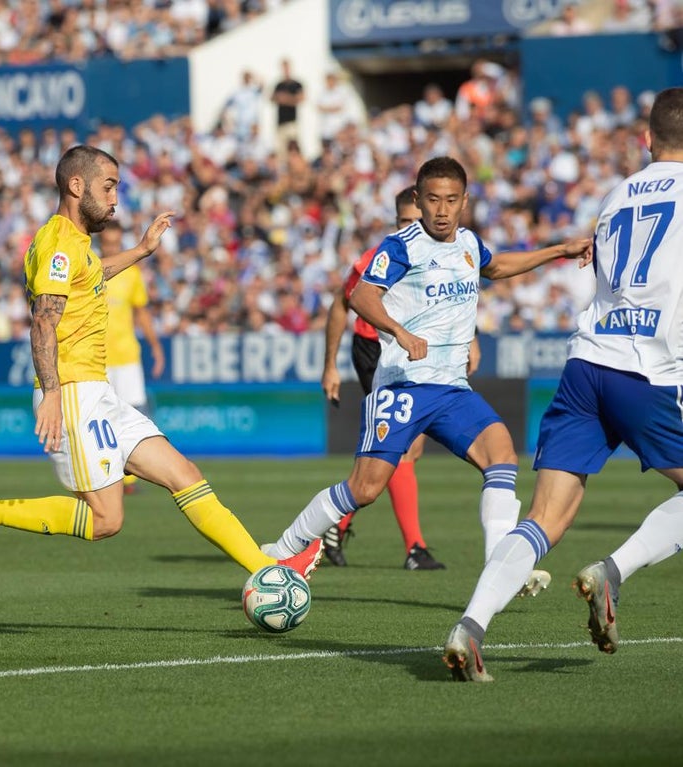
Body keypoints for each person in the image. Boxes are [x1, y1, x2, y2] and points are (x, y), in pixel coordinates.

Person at [0, 144, 323, 581]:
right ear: (77, 186)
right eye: (109, 186)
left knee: (183, 474)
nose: (116, 198)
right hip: (74, 392)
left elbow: (93, 274)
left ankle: (270, 569)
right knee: (105, 520)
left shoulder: (75, 244)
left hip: (99, 392)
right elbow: (43, 321)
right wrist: (53, 394)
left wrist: (140, 251)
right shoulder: (59, 241)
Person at [262, 157, 591, 596]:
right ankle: (282, 548)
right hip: (403, 385)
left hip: (452, 389)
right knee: (365, 488)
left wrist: (557, 251)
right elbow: (359, 295)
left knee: (503, 456)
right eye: (433, 199)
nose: (442, 209)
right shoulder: (401, 246)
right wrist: (399, 331)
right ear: (417, 200)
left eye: (451, 200)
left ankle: (501, 570)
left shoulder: (469, 244)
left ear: (465, 202)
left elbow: (496, 266)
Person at [444, 87, 683, 682]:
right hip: (649, 370)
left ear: (646, 140)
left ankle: (470, 626)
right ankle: (615, 570)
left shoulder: (617, 194)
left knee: (546, 515)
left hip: (585, 366)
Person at [320, 186, 482, 570]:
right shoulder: (382, 254)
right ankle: (414, 548)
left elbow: (444, 300)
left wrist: (470, 340)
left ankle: (335, 526)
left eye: (417, 220)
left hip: (419, 348)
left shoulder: (443, 251)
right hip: (376, 350)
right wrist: (330, 365)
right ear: (397, 221)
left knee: (409, 449)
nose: (415, 227)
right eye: (406, 221)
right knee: (404, 448)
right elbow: (343, 304)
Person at [101, 220, 165, 495]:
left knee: (134, 415)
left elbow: (141, 312)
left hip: (126, 355)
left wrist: (156, 346)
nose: (113, 248)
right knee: (102, 416)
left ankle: (129, 477)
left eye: (116, 244)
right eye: (108, 244)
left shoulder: (131, 273)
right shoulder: (91, 267)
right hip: (97, 357)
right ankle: (106, 475)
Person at [271, 60, 304, 157]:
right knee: (281, 150)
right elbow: (272, 98)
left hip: (292, 122)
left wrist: (285, 98)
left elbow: (300, 99)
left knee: (293, 147)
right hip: (280, 123)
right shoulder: (279, 85)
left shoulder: (296, 84)